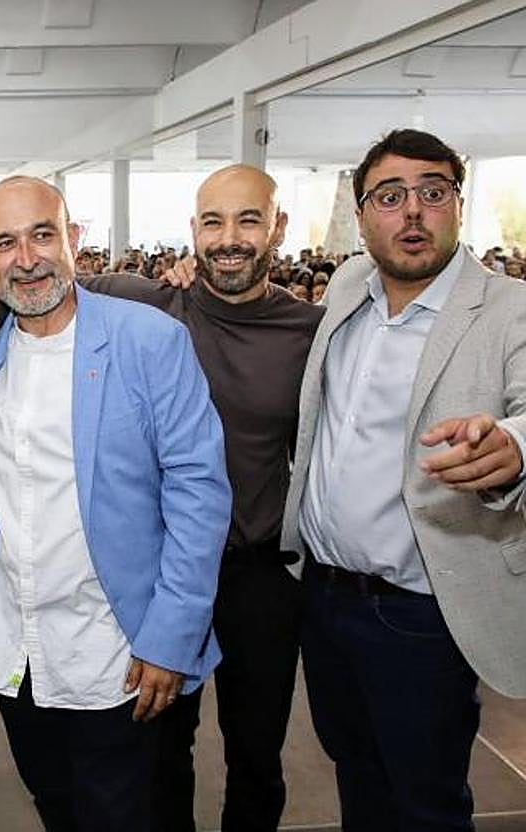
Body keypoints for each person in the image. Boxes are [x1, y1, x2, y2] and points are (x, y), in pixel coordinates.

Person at [0, 165, 324, 832]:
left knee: (130, 805)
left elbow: (199, 491)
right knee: (56, 802)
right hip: (16, 647)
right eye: (4, 244)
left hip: (117, 645)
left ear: (73, 238)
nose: (26, 259)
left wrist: (171, 639)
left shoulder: (148, 337)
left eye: (42, 235)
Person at [284, 129, 526, 831]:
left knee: (425, 801)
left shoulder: (508, 309)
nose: (412, 212)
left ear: (457, 204)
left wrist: (511, 446)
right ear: (363, 218)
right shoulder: (349, 292)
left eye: (432, 192)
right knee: (357, 774)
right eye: (390, 197)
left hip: (418, 614)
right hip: (326, 599)